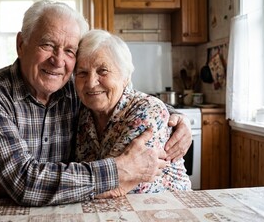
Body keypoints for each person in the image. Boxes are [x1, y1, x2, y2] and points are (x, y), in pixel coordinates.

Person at [0, 0, 192, 206]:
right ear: (21, 44)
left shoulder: (75, 88)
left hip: (60, 206)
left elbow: (124, 97)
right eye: (47, 44)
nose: (58, 60)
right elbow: (23, 183)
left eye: (69, 50)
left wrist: (175, 119)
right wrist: (118, 171)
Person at [74, 29, 192, 195]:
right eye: (82, 73)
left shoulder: (146, 111)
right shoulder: (83, 113)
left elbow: (118, 184)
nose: (91, 83)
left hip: (166, 209)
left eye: (103, 70)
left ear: (125, 77)